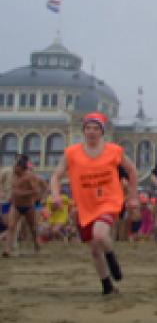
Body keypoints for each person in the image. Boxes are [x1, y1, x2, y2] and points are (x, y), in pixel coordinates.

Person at [50, 113, 139, 294]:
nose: (91, 132)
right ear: (83, 131)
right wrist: (56, 195)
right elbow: (56, 175)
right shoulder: (72, 153)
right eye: (88, 128)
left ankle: (111, 256)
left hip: (109, 200)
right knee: (93, 249)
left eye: (95, 128)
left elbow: (132, 170)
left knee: (99, 235)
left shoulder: (114, 150)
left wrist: (132, 195)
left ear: (102, 132)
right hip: (85, 205)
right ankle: (107, 285)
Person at [4, 155, 44, 256]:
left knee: (33, 228)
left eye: (16, 167)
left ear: (21, 168)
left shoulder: (29, 177)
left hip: (28, 206)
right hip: (15, 205)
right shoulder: (13, 175)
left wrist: (22, 193)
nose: (14, 168)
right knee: (11, 226)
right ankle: (7, 249)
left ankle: (36, 244)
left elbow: (36, 190)